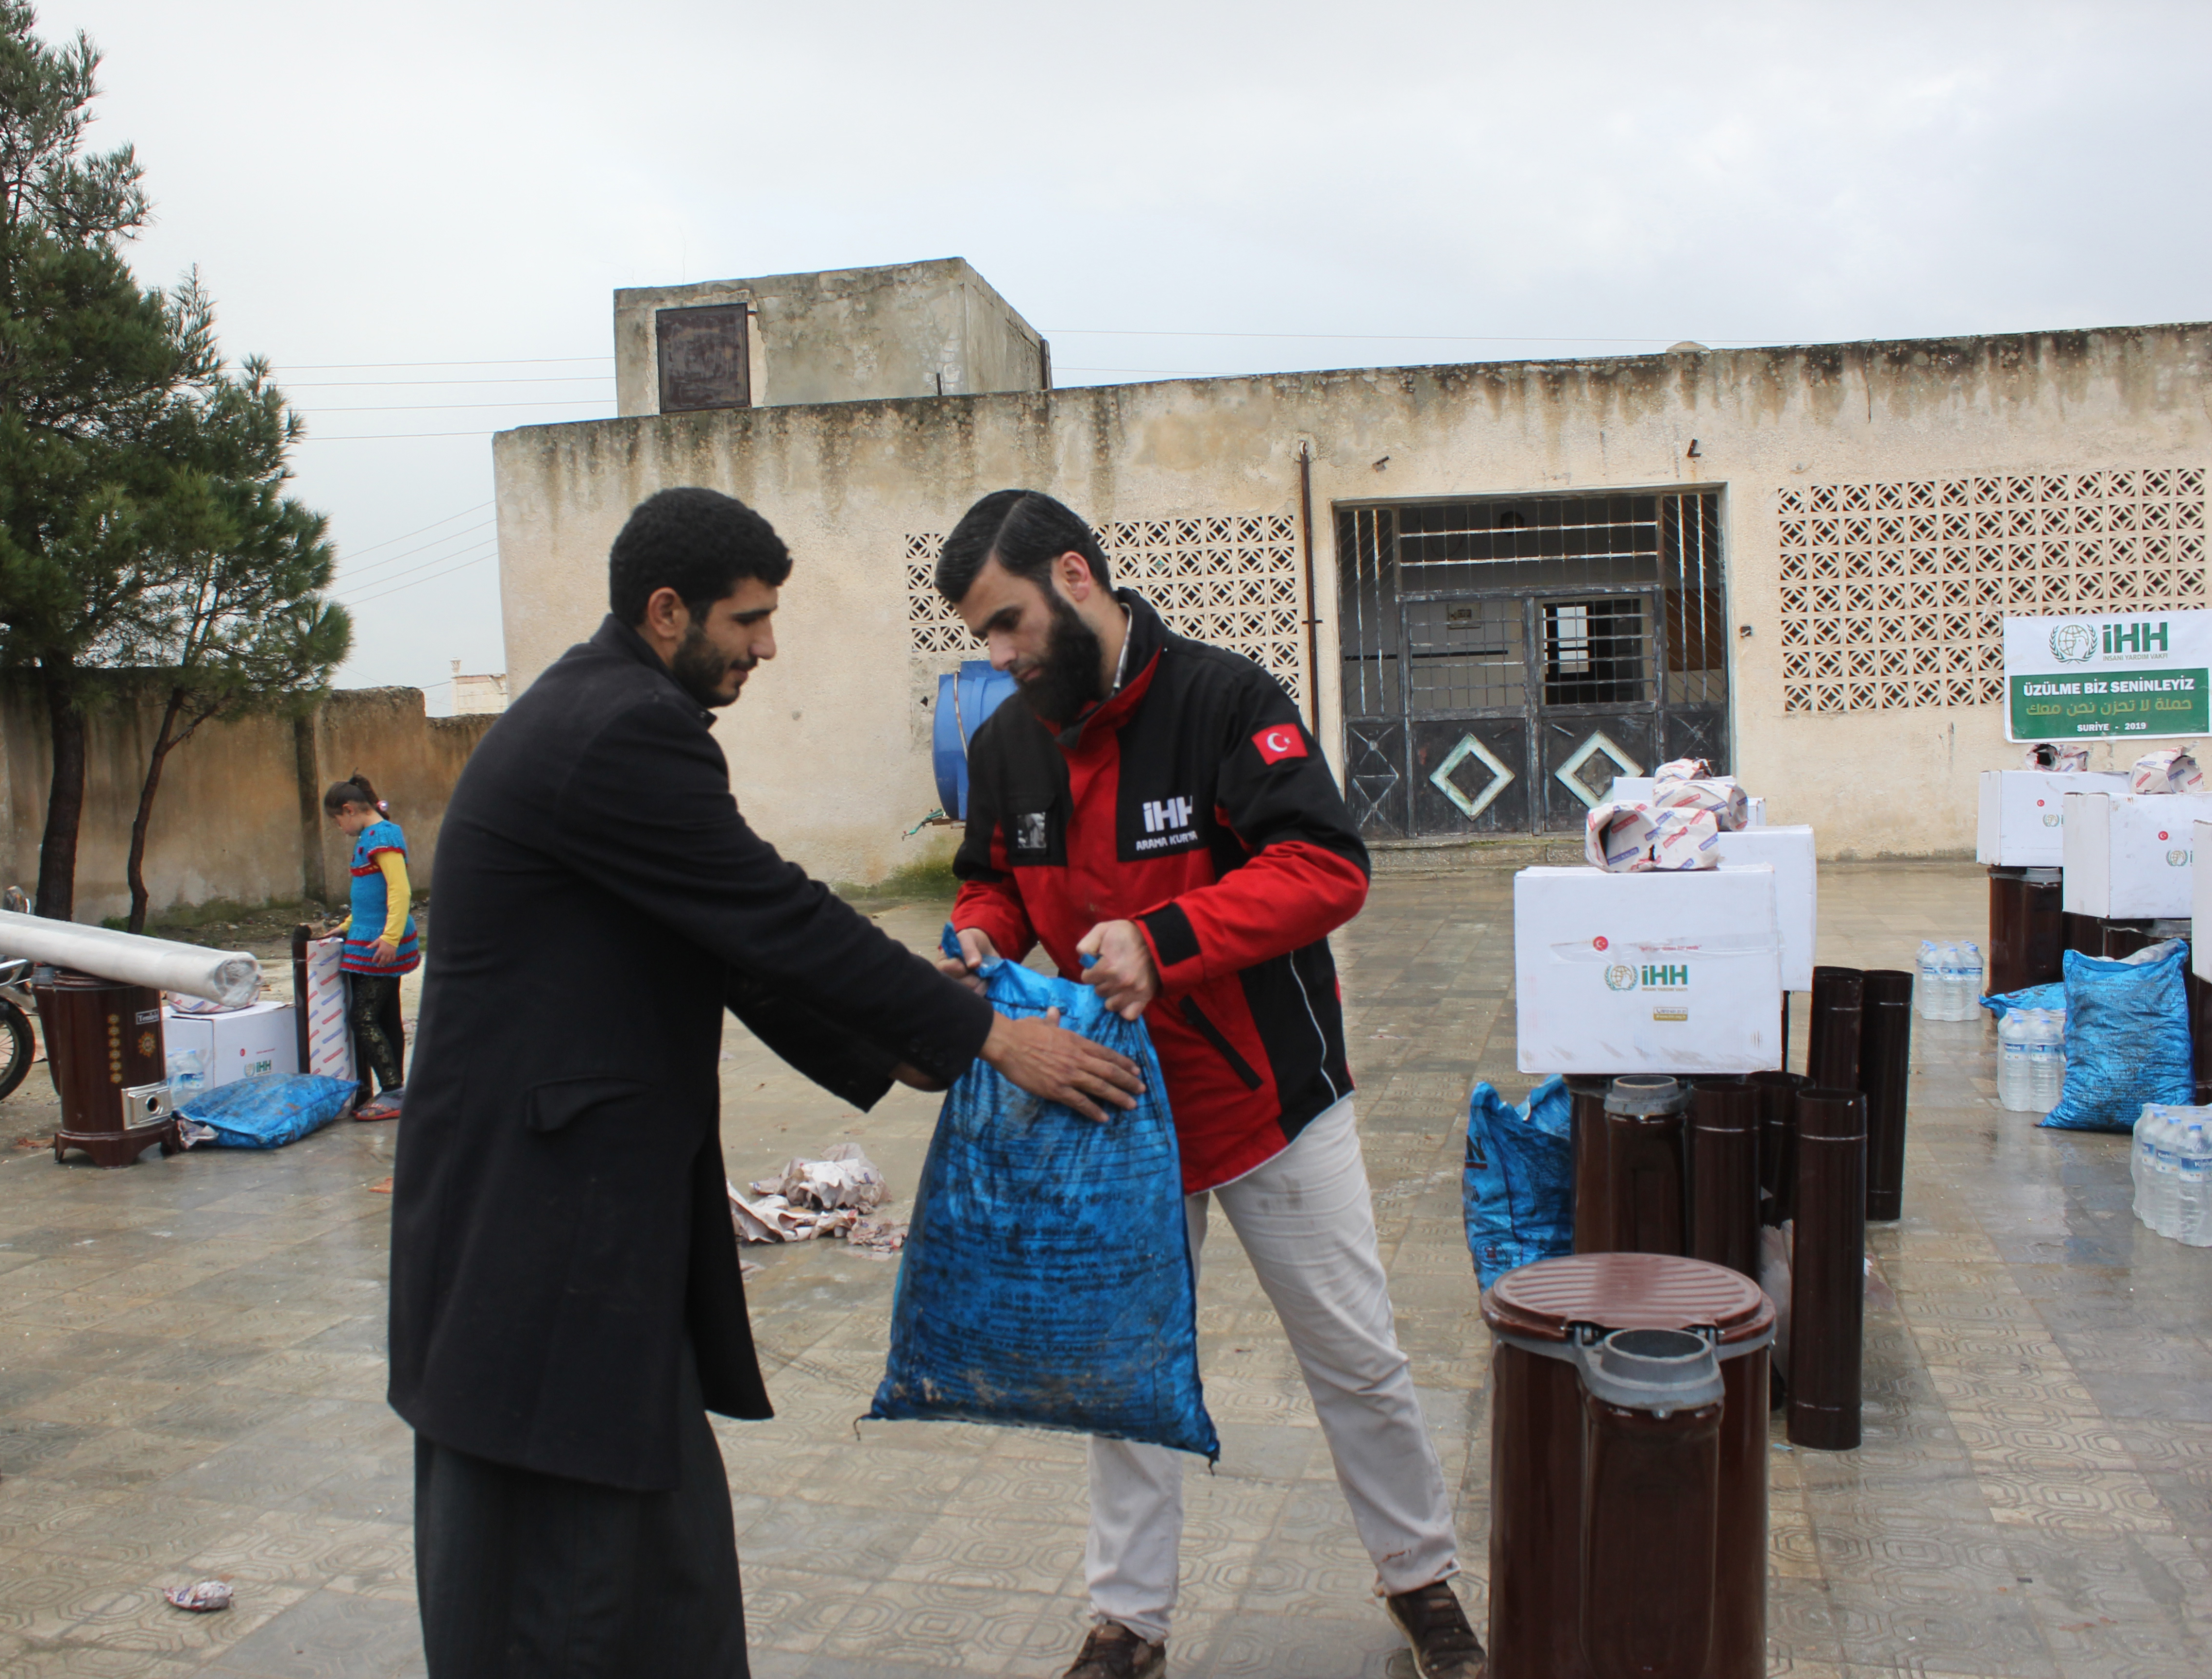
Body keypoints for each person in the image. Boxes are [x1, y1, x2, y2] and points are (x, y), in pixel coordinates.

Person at [389, 486, 1145, 1677]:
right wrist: (985, 1037)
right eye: (747, 620)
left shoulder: (608, 710)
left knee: (649, 1549)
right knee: (561, 1571)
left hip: (576, 1224)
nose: (769, 646)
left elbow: (725, 942)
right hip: (541, 1229)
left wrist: (900, 1046)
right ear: (666, 611)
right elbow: (770, 913)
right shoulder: (621, 730)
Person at [934, 491, 1485, 1679]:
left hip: (1266, 1099)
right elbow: (992, 881)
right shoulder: (1006, 743)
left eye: (1008, 623)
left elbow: (1325, 867)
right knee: (1123, 1367)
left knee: (1353, 1355)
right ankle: (1126, 1622)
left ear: (1074, 576)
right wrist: (978, 937)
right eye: (982, 636)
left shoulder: (1225, 700)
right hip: (1110, 1106)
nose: (999, 655)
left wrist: (1164, 939)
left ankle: (1421, 1578)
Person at [323, 771, 420, 1120]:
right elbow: (369, 897)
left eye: (338, 821)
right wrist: (346, 926)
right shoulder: (371, 837)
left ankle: (393, 1092)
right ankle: (396, 1090)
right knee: (384, 1015)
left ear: (349, 810)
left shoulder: (382, 837)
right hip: (370, 937)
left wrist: (391, 938)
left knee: (362, 1017)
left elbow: (400, 890)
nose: (340, 829)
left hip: (380, 945)